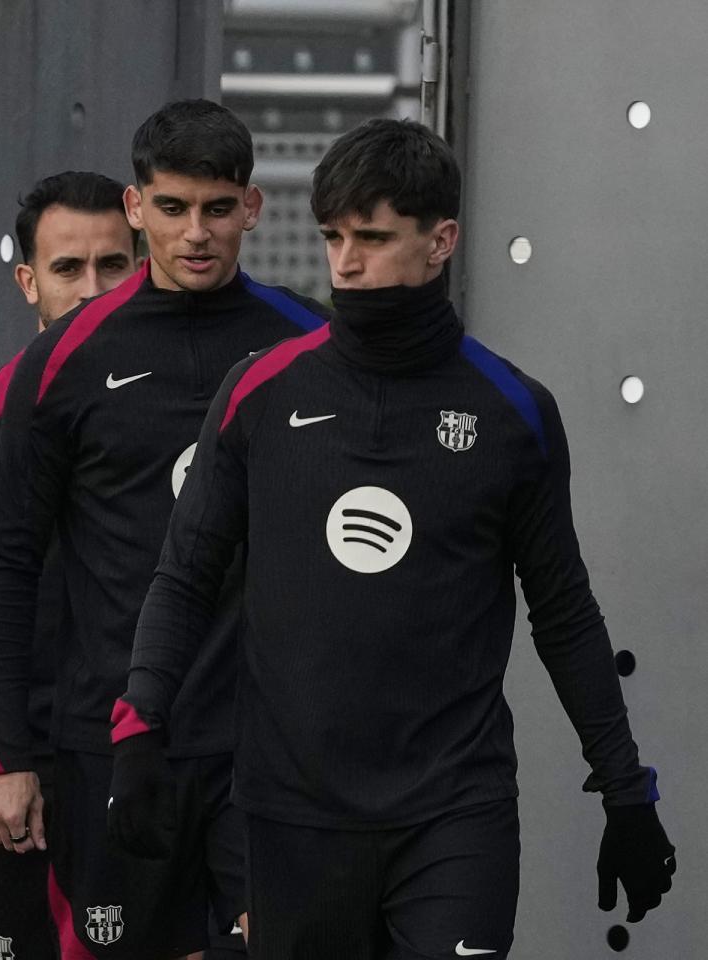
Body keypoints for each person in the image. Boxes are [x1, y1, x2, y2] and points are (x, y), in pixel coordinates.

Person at [113, 118, 677, 959]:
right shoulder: (260, 392)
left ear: (441, 240)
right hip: (292, 813)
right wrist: (139, 723)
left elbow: (562, 612)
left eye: (372, 238)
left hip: (454, 810)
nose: (345, 262)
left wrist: (625, 789)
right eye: (334, 237)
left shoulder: (513, 412)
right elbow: (186, 575)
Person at [0, 99, 327, 960]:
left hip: (268, 752)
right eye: (171, 208)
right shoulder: (63, 359)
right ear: (137, 211)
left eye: (216, 208)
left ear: (252, 207)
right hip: (116, 748)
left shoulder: (308, 344)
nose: (195, 233)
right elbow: (8, 562)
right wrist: (6, 754)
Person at [0, 171, 139, 959]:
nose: (91, 290)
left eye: (113, 266)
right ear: (28, 282)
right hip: (14, 794)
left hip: (157, 779)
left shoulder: (201, 413)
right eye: (67, 270)